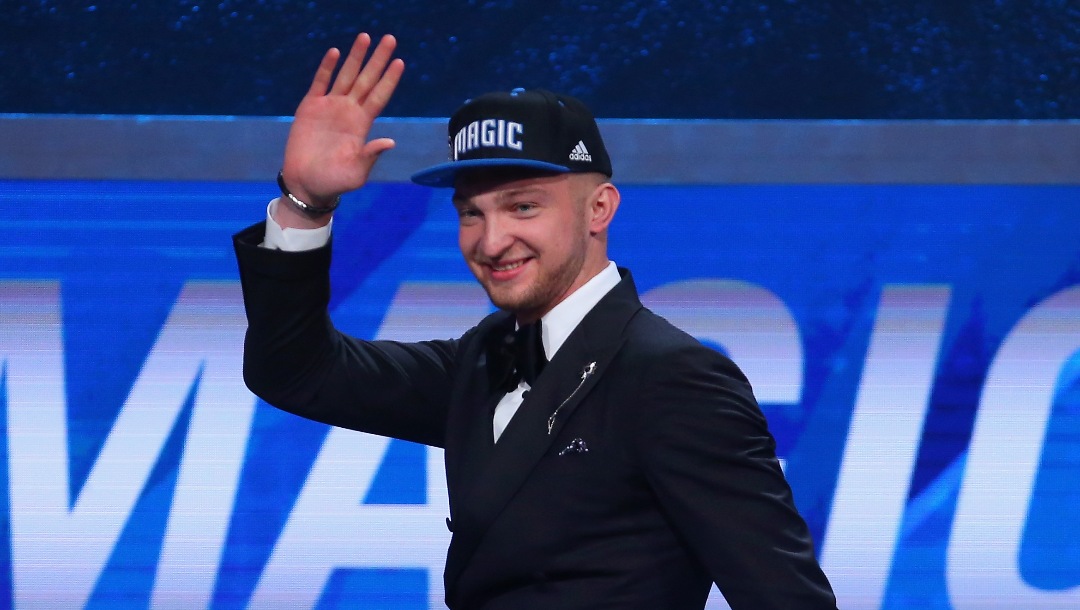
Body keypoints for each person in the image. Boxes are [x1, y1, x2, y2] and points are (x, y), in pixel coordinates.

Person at [233, 32, 838, 609]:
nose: (493, 241)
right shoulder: (482, 359)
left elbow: (783, 596)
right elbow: (296, 370)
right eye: (472, 214)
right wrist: (305, 204)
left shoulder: (674, 378)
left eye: (523, 206)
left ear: (599, 208)